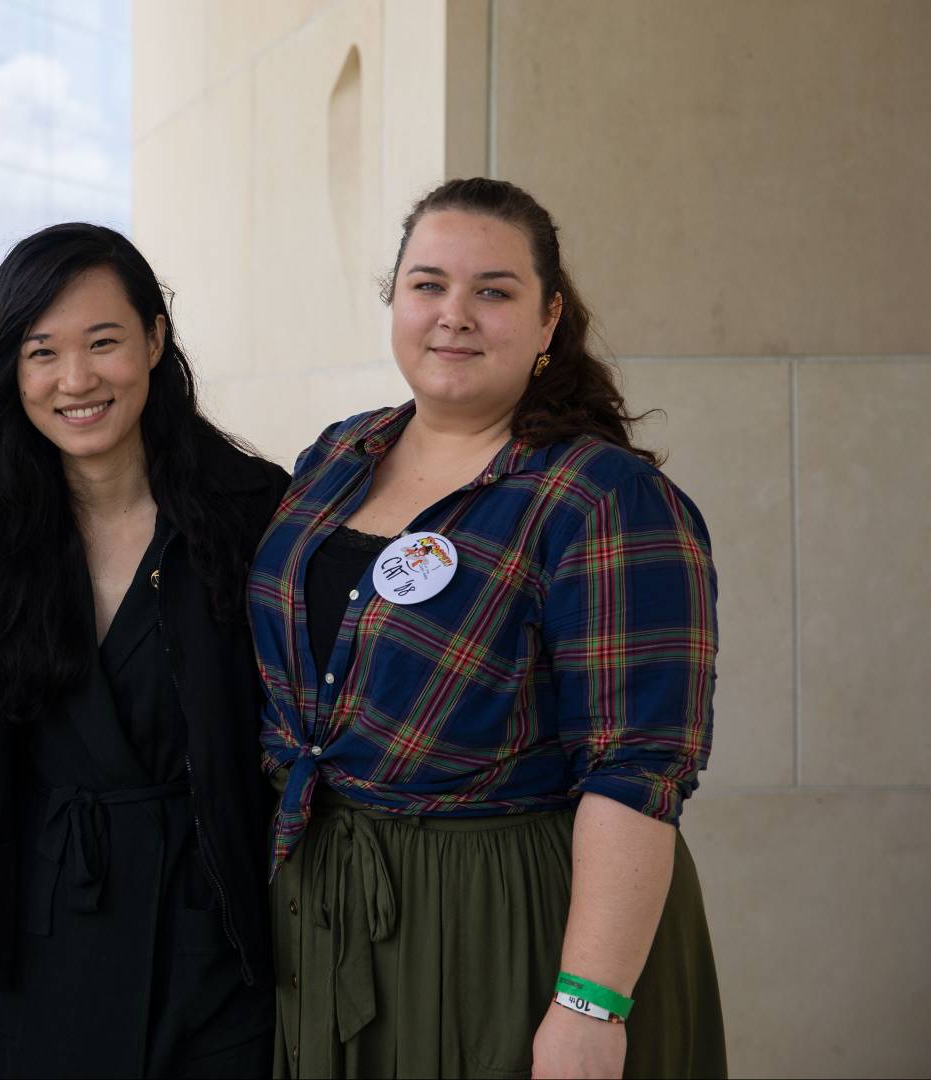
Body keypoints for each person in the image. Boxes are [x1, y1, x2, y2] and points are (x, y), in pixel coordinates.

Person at [251, 178, 727, 1078]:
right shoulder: (338, 455)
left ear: (549, 320)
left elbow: (637, 770)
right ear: (395, 298)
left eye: (493, 291)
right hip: (330, 903)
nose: (453, 315)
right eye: (428, 284)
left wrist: (590, 1007)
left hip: (507, 918)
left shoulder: (603, 498)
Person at [0, 222, 282, 1077]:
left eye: (104, 343)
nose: (75, 380)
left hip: (216, 932)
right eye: (41, 352)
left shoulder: (256, 514)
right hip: (49, 928)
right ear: (10, 369)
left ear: (155, 339)